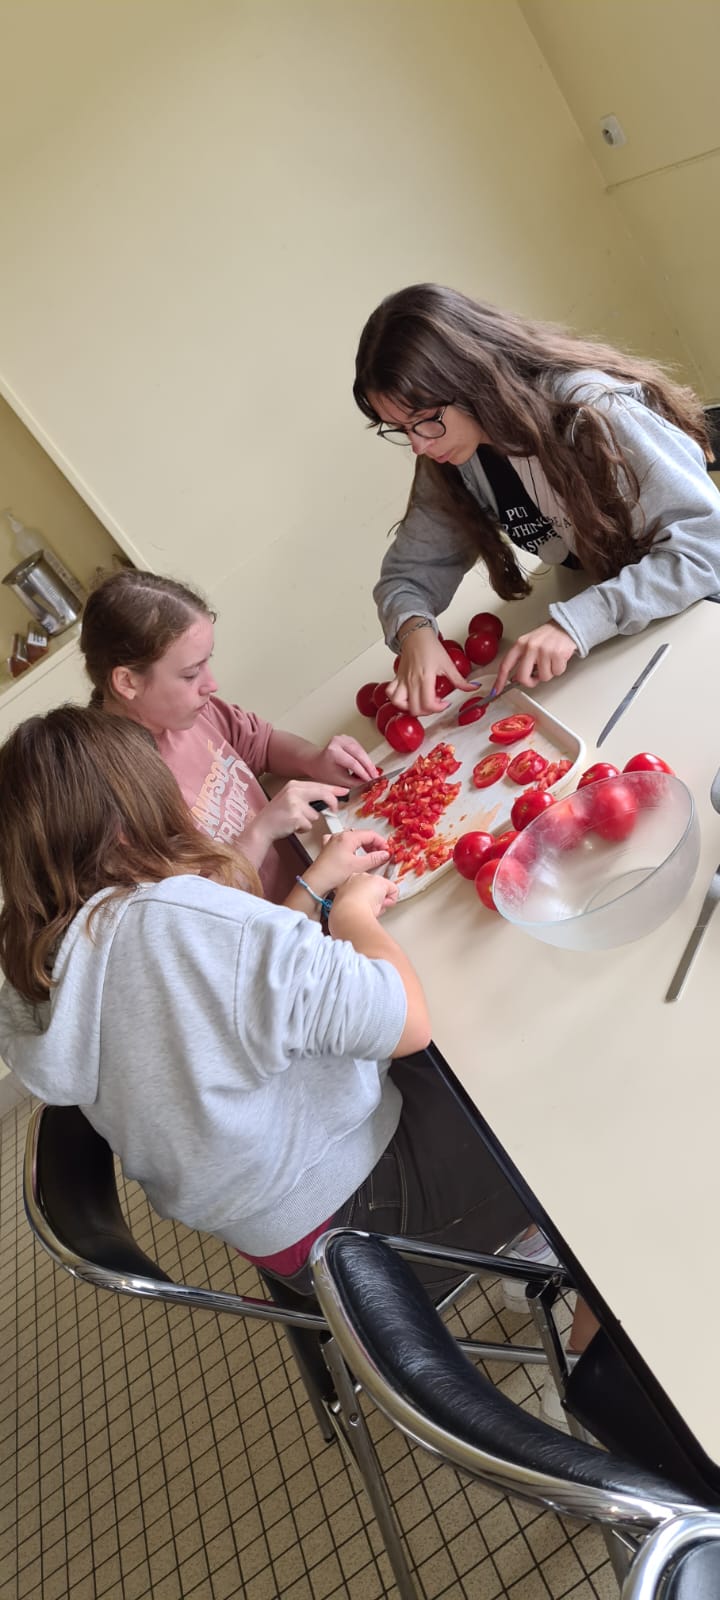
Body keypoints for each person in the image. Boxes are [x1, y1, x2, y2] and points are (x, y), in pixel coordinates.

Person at [0, 706, 531, 1305]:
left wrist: (311, 887)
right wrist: (353, 913)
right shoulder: (166, 918)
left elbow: (226, 1005)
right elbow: (405, 1022)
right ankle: (552, 1264)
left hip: (289, 1244)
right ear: (127, 820)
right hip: (375, 1228)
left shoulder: (42, 956)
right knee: (519, 1053)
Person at [354, 283, 720, 715]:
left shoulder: (592, 411)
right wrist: (415, 631)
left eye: (425, 421)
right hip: (631, 629)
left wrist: (576, 623)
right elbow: (406, 576)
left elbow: (708, 547)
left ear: (471, 376)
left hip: (694, 618)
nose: (417, 446)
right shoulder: (451, 455)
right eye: (400, 429)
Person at [79, 568, 379, 902]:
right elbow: (195, 915)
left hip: (317, 887)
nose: (211, 684)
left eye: (207, 662)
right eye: (191, 673)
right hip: (271, 935)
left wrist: (313, 761)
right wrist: (261, 830)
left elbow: (261, 743)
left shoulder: (190, 711)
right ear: (127, 682)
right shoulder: (112, 799)